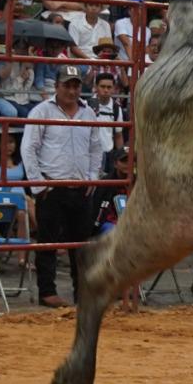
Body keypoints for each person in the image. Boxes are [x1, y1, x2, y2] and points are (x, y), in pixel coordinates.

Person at [21, 70, 111, 308]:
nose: (72, 91)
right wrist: (39, 184)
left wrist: (92, 178)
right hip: (53, 185)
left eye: (75, 86)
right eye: (67, 86)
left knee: (81, 244)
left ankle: (82, 292)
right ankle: (47, 291)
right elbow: (29, 148)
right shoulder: (41, 111)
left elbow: (95, 148)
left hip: (80, 187)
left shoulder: (88, 113)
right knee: (48, 241)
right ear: (57, 87)